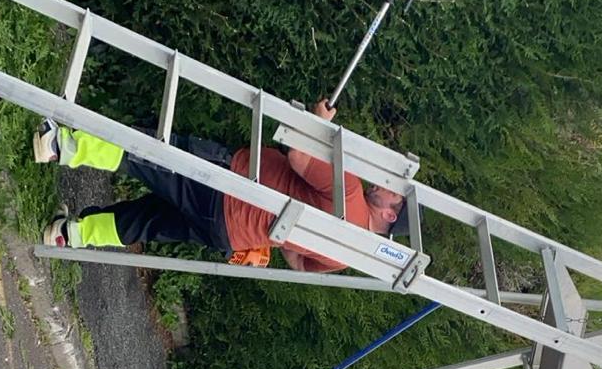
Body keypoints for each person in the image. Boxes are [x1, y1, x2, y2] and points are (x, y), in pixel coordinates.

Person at [36, 99, 405, 272]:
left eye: (394, 193)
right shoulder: (347, 256)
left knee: (150, 154)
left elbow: (298, 156)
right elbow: (297, 261)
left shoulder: (351, 193)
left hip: (228, 185)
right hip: (230, 234)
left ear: (390, 212)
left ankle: (60, 146)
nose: (386, 185)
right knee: (149, 222)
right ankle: (67, 235)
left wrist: (319, 124)